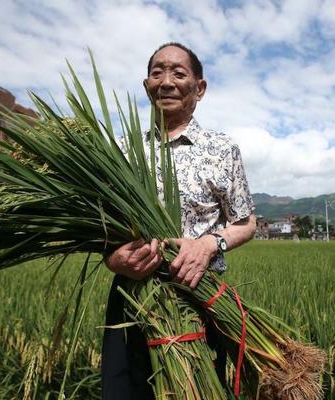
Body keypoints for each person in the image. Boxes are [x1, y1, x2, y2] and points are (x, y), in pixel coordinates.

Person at [101, 42, 256, 400]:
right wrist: (114, 260)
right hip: (132, 296)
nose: (166, 81)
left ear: (199, 89)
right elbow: (103, 229)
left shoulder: (221, 149)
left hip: (199, 296)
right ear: (146, 86)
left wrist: (208, 244)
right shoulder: (124, 152)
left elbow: (246, 223)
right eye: (157, 72)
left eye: (178, 73)